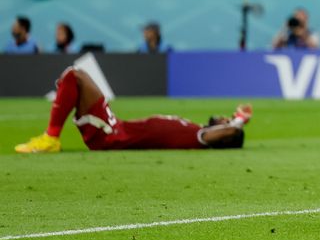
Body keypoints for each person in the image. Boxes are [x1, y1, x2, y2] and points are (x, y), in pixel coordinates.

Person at [13, 66, 249, 153]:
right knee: (73, 79)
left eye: (226, 121)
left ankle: (50, 138)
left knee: (76, 76)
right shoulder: (195, 129)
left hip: (112, 136)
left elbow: (228, 133)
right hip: (116, 128)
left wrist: (238, 122)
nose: (224, 119)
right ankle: (52, 131)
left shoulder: (200, 138)